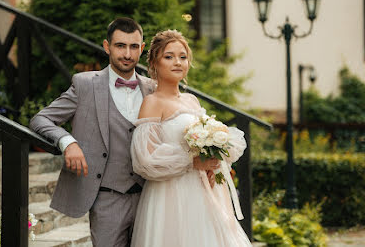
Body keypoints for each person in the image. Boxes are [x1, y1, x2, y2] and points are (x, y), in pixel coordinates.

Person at [29, 18, 156, 247]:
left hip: (150, 197)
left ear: (142, 48)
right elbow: (41, 119)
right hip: (107, 198)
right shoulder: (85, 84)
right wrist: (68, 142)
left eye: (134, 46)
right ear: (107, 47)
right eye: (120, 46)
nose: (127, 54)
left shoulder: (153, 88)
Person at [130, 30, 252, 246]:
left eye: (183, 57)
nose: (177, 62)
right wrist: (192, 161)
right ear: (154, 63)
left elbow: (205, 143)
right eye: (169, 57)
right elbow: (145, 160)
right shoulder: (152, 102)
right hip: (171, 194)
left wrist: (212, 162)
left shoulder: (192, 100)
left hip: (204, 191)